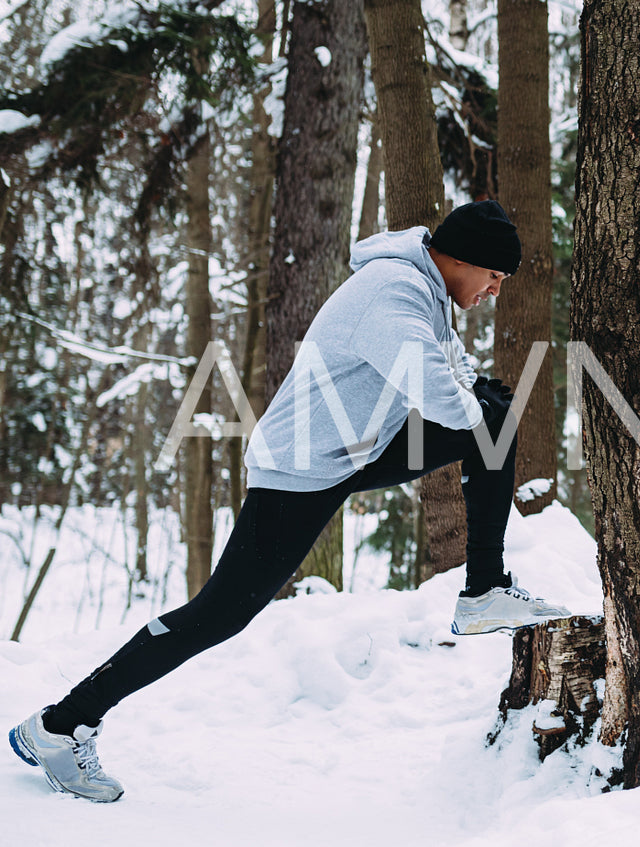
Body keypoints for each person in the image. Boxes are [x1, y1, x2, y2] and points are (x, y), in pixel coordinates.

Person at [7, 200, 569, 802]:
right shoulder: (393, 293)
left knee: (493, 417)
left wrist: (479, 399)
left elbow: (452, 372)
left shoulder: (427, 291)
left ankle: (484, 588)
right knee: (218, 615)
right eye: (494, 277)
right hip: (299, 468)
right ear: (461, 259)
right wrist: (473, 403)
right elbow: (437, 390)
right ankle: (60, 726)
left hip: (352, 449)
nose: (494, 291)